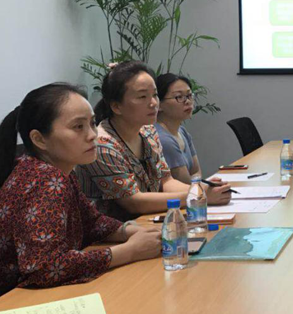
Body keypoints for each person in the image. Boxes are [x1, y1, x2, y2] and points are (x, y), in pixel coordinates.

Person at [0, 83, 162, 298]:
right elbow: (45, 267)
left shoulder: (57, 170)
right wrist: (130, 251)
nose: (92, 135)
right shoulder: (45, 179)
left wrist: (132, 232)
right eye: (78, 127)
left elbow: (92, 222)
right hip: (10, 303)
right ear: (39, 139)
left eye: (92, 123)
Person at [77, 61, 231, 222]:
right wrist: (197, 195)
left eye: (155, 95)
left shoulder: (148, 131)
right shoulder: (103, 144)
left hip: (146, 221)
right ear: (116, 106)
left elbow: (166, 181)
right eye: (142, 97)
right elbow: (134, 202)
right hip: (114, 230)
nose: (153, 103)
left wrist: (201, 190)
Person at [154, 73, 202, 185]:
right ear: (159, 104)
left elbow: (196, 172)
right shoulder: (163, 139)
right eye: (179, 97)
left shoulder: (182, 131)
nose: (188, 101)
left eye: (189, 95)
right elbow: (185, 183)